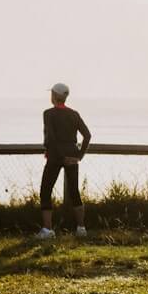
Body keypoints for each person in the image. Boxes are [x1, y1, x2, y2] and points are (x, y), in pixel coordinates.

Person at [38, 82, 91, 240]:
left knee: (46, 191)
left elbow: (51, 138)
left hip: (55, 157)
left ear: (53, 96)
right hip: (72, 156)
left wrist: (60, 157)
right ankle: (81, 228)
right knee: (74, 192)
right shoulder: (74, 114)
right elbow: (87, 135)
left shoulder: (48, 114)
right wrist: (79, 156)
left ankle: (47, 230)